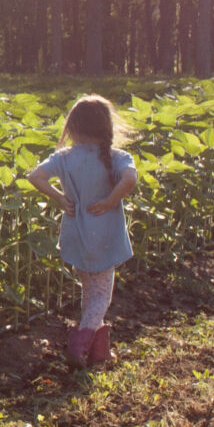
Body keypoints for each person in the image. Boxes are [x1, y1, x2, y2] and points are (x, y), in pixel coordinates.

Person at [24, 95, 138, 367]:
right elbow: (131, 178)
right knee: (102, 296)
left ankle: (99, 353)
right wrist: (111, 200)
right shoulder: (116, 157)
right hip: (103, 239)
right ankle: (78, 344)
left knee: (89, 291)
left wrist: (60, 198)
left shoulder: (63, 158)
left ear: (73, 127)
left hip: (76, 236)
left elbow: (35, 176)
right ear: (106, 127)